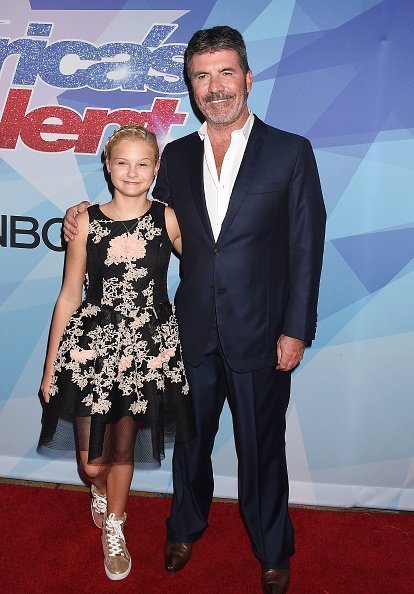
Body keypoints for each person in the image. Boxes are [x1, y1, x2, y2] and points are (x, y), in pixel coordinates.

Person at [63, 26, 326, 594]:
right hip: (187, 334)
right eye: (202, 76)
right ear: (191, 86)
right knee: (190, 445)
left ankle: (272, 548)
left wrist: (296, 330)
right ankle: (184, 525)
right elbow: (135, 211)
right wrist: (80, 212)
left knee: (263, 450)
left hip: (262, 334)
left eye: (226, 72)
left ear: (248, 78)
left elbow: (307, 248)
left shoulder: (290, 152)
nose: (215, 87)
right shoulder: (176, 156)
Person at [39, 125, 194, 582]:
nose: (132, 172)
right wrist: (51, 369)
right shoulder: (86, 221)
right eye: (122, 162)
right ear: (107, 165)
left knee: (123, 452)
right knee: (92, 466)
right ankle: (100, 493)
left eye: (143, 163)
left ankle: (116, 524)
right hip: (92, 352)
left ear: (156, 168)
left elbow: (208, 257)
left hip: (146, 355)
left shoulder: (168, 218)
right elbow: (69, 296)